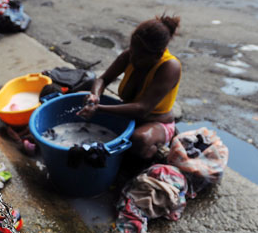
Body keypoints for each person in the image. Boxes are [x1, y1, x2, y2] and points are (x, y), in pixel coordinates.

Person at [77, 15, 182, 160]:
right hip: (127, 113)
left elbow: (142, 109)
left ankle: (155, 151)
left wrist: (99, 108)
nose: (132, 59)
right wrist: (94, 96)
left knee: (139, 139)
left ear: (157, 55)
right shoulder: (132, 54)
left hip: (155, 121)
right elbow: (103, 79)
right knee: (80, 97)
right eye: (132, 52)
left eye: (139, 57)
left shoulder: (170, 67)